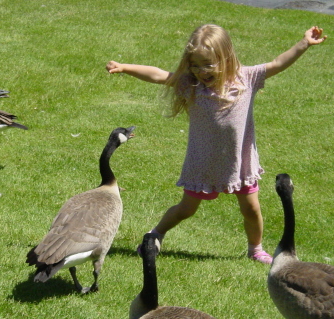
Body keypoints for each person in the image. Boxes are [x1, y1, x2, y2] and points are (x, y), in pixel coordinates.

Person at [106, 25, 327, 264]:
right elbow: (159, 75)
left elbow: (277, 63)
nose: (202, 71)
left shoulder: (247, 79)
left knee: (251, 209)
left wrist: (303, 43)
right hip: (203, 162)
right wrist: (125, 68)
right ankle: (155, 235)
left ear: (226, 57)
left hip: (238, 162)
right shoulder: (191, 85)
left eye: (208, 64)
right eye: (195, 65)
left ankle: (255, 249)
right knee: (186, 209)